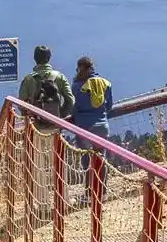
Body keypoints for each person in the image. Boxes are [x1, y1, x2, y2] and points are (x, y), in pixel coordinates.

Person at [71, 57, 114, 191]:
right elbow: (109, 106)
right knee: (101, 158)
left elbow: (74, 107)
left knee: (87, 159)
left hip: (84, 128)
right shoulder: (106, 83)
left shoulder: (77, 86)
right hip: (102, 126)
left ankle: (90, 191)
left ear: (79, 68)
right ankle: (102, 190)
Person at [18, 45, 75, 123]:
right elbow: (70, 101)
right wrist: (61, 116)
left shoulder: (28, 79)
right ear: (49, 58)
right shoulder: (60, 77)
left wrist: (30, 118)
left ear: (35, 58)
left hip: (35, 125)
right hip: (56, 124)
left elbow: (21, 104)